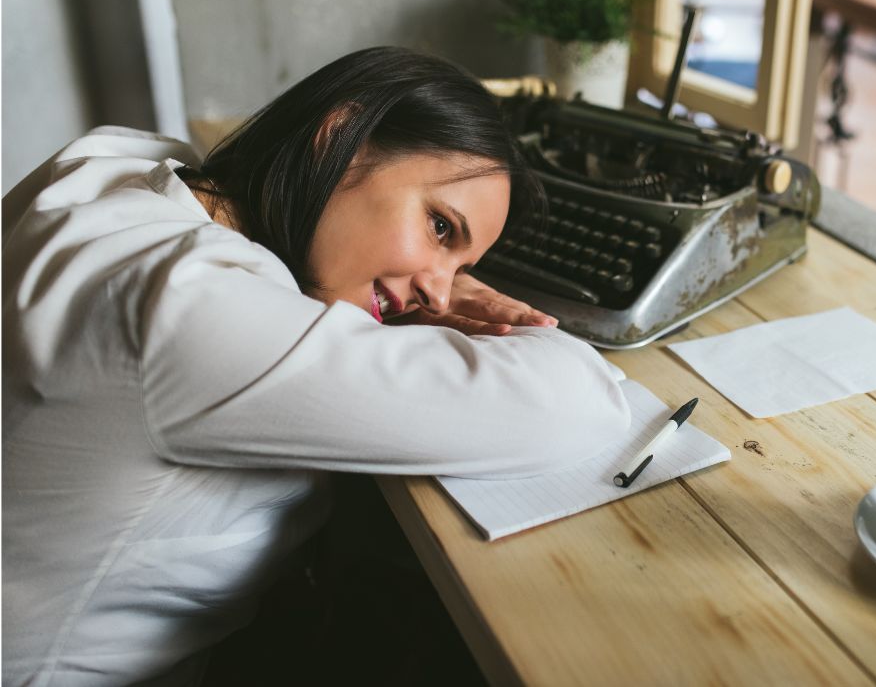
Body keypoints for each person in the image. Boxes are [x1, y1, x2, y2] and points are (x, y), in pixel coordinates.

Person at [2, 46, 631, 685]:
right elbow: (581, 405)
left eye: (463, 270)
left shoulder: (113, 165)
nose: (440, 294)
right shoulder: (194, 308)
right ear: (338, 137)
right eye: (441, 228)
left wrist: (425, 272)